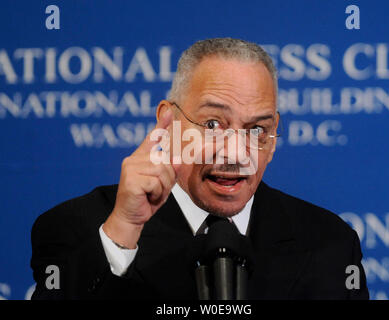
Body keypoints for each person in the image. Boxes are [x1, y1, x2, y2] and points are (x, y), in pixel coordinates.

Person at [30, 38, 369, 300]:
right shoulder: (77, 228)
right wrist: (124, 231)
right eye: (212, 124)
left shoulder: (330, 242)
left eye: (256, 130)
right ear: (169, 122)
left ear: (274, 137)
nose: (235, 154)